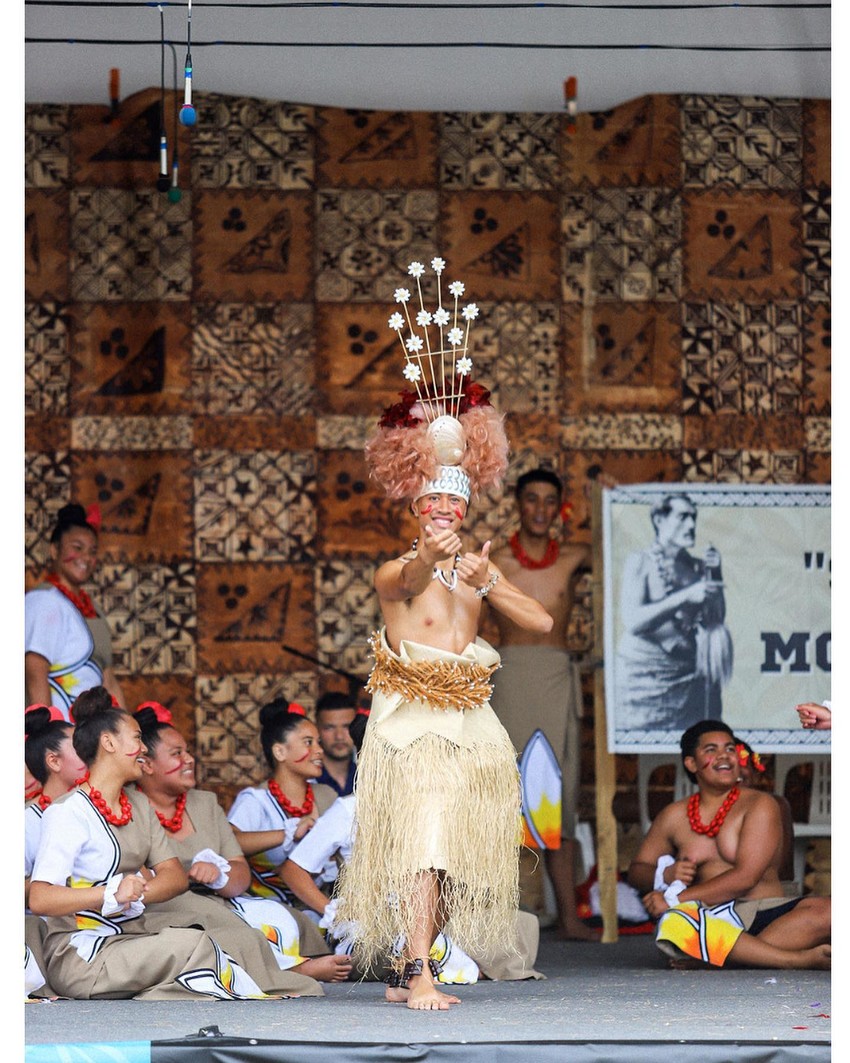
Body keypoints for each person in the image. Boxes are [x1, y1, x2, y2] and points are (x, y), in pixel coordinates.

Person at [335, 258, 553, 1011]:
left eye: (451, 508)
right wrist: (427, 560)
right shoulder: (400, 567)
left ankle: (408, 967)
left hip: (473, 721)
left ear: (463, 508)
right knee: (421, 845)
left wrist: (492, 582)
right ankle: (420, 973)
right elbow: (406, 583)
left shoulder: (478, 569)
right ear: (416, 506)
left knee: (456, 852)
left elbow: (543, 622)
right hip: (415, 725)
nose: (442, 517)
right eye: (430, 506)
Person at [27, 686, 315, 1000]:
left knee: (235, 935)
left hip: (130, 930)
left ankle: (274, 987)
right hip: (83, 951)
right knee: (192, 944)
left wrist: (137, 892)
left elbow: (175, 876)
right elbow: (41, 899)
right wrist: (109, 893)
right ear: (108, 742)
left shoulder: (136, 805)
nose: (143, 750)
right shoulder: (68, 812)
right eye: (136, 738)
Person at [280, 710, 543, 988]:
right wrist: (333, 909)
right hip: (378, 923)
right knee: (398, 942)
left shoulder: (429, 802)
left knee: (517, 921)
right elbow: (293, 869)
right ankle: (444, 965)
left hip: (431, 912)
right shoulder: (349, 809)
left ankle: (449, 958)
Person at [131, 701, 350, 983]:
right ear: (146, 764)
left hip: (225, 900)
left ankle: (306, 961)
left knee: (280, 918)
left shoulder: (205, 803)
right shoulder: (131, 807)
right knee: (226, 927)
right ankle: (289, 971)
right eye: (177, 754)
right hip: (167, 907)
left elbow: (239, 876)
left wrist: (219, 876)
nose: (189, 759)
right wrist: (186, 875)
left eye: (187, 751)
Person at [489, 467, 598, 942]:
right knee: (500, 795)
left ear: (559, 509)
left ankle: (569, 917)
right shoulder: (492, 559)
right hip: (509, 676)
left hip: (555, 676)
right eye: (530, 499)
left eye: (548, 501)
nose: (539, 509)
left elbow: (627, 549)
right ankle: (492, 916)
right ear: (518, 503)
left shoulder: (575, 557)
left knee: (559, 794)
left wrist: (608, 494)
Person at [627, 720, 830, 970]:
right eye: (711, 750)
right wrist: (664, 873)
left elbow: (746, 878)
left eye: (730, 749)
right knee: (674, 923)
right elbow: (637, 870)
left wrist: (675, 898)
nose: (724, 755)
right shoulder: (674, 815)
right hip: (709, 917)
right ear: (691, 763)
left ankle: (717, 955)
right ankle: (793, 958)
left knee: (832, 911)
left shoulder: (761, 804)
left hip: (766, 912)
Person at [615, 493, 732, 731]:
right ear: (659, 520)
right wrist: (685, 596)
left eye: (693, 518)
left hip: (691, 684)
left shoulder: (698, 566)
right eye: (682, 517)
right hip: (644, 683)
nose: (691, 525)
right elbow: (633, 621)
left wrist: (715, 573)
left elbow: (716, 618)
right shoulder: (640, 561)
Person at [227, 698, 339, 906]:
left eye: (318, 743)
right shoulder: (256, 800)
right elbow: (229, 842)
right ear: (280, 752)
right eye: (308, 742)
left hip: (322, 903)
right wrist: (287, 834)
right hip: (267, 909)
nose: (319, 750)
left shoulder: (326, 795)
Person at [25, 503, 125, 717]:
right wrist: (47, 732)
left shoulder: (93, 608)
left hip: (90, 733)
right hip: (63, 733)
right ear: (54, 550)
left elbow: (108, 680)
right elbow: (35, 670)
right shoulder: (44, 601)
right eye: (77, 548)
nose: (86, 558)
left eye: (92, 551)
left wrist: (129, 737)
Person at [24, 704, 87, 997]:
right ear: (53, 761)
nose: (90, 752)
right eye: (78, 747)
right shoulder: (24, 821)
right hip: (48, 926)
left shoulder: (94, 812)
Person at [313, 691, 357, 796]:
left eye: (347, 727)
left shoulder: (371, 776)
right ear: (316, 729)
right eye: (329, 728)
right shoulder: (307, 780)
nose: (339, 736)